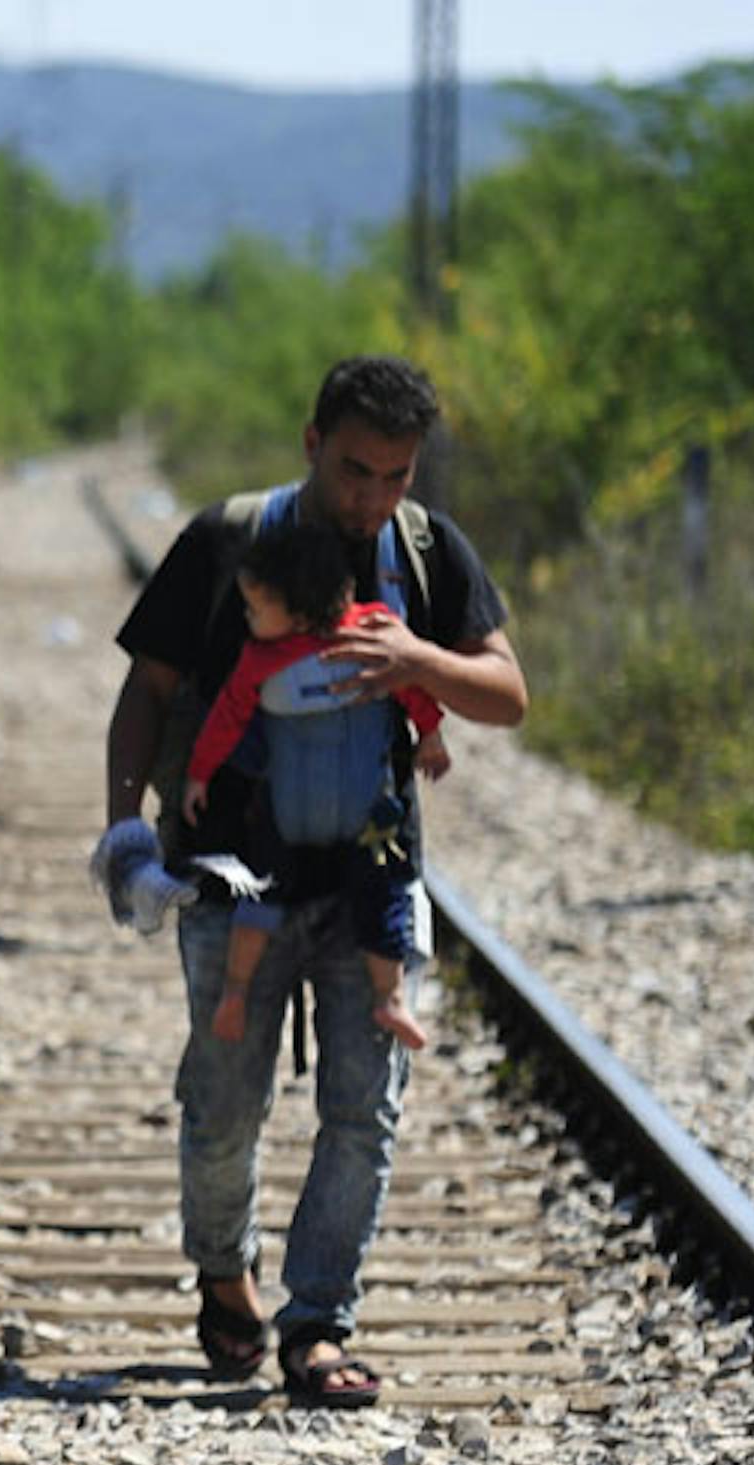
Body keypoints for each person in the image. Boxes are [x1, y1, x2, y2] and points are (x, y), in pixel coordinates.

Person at [100, 355, 526, 1408]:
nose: (371, 497)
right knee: (224, 1100)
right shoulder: (226, 543)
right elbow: (148, 690)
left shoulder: (425, 554)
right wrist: (124, 831)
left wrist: (420, 661)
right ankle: (224, 1272)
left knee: (363, 1110)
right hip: (234, 882)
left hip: (372, 885)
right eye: (353, 471)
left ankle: (319, 1323)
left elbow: (507, 693)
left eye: (394, 475)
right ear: (310, 444)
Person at [181, 512, 452, 1054]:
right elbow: (227, 721)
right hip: (292, 818)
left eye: (256, 608)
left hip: (364, 821)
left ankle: (389, 998)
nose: (248, 618)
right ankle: (236, 991)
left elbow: (412, 686)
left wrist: (430, 734)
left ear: (300, 609)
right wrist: (199, 773)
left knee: (383, 898)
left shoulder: (373, 634)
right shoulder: (259, 659)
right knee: (258, 895)